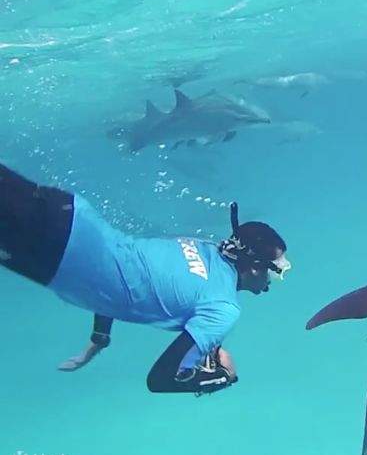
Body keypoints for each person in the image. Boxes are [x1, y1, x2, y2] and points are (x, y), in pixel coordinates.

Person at [0, 163, 290, 395]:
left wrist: (100, 338)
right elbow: (160, 380)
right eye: (275, 271)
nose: (272, 280)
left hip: (65, 222)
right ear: (253, 267)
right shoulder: (225, 309)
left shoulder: (203, 246)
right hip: (52, 251)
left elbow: (130, 276)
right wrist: (223, 377)